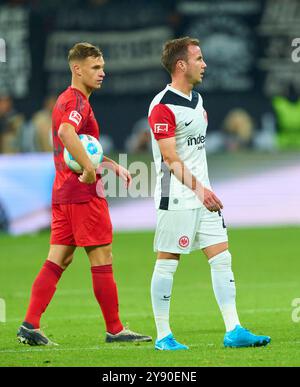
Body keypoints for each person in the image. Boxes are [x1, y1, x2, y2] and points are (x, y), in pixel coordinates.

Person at [17, 42, 152, 346]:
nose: (102, 73)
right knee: (102, 256)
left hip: (63, 193)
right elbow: (67, 134)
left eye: (102, 67)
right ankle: (115, 329)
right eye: (95, 67)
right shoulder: (77, 103)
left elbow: (75, 148)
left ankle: (30, 324)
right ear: (77, 69)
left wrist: (107, 164)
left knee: (58, 259)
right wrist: (90, 171)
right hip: (81, 194)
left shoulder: (66, 100)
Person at [148, 37, 271, 350]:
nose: (204, 64)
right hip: (176, 195)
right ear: (181, 65)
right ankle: (163, 335)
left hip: (203, 194)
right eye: (198, 59)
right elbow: (171, 160)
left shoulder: (197, 100)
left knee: (222, 258)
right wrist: (199, 189)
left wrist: (205, 189)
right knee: (168, 261)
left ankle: (234, 330)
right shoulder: (163, 106)